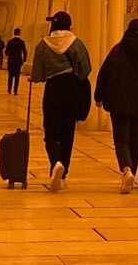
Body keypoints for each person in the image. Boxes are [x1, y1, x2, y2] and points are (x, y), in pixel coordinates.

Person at [94, 17, 138, 193]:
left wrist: (99, 96)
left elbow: (104, 74)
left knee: (121, 140)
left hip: (118, 104)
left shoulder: (117, 51)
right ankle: (133, 171)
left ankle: (126, 170)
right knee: (134, 140)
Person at [31, 10, 92, 194]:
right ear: (69, 25)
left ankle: (55, 162)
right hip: (72, 88)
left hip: (53, 89)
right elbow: (85, 70)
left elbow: (37, 75)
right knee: (67, 132)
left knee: (50, 131)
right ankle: (63, 174)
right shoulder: (77, 43)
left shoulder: (43, 45)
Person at [5, 27, 27, 96]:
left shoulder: (10, 42)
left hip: (11, 61)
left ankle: (9, 89)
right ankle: (15, 91)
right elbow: (25, 52)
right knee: (17, 77)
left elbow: (6, 52)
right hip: (18, 61)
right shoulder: (22, 42)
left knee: (10, 76)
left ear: (14, 33)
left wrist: (10, 54)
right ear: (19, 33)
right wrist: (24, 60)